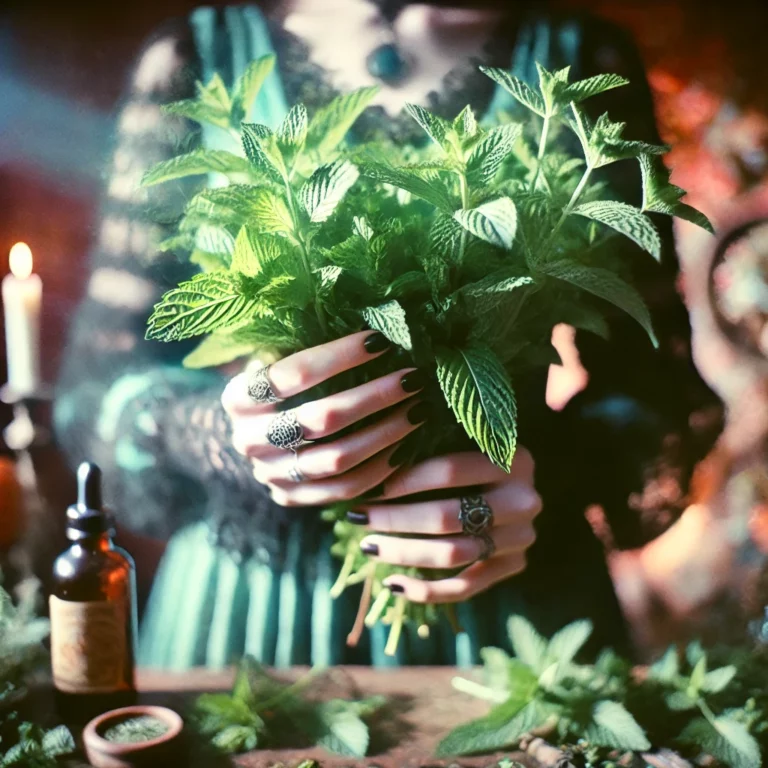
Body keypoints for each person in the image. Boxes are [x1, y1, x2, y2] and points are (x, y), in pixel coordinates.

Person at [54, 0, 721, 669]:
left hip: (512, 601)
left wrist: (545, 479)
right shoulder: (195, 56)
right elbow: (100, 387)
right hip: (255, 616)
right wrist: (226, 436)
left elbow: (652, 385)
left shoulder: (581, 56)